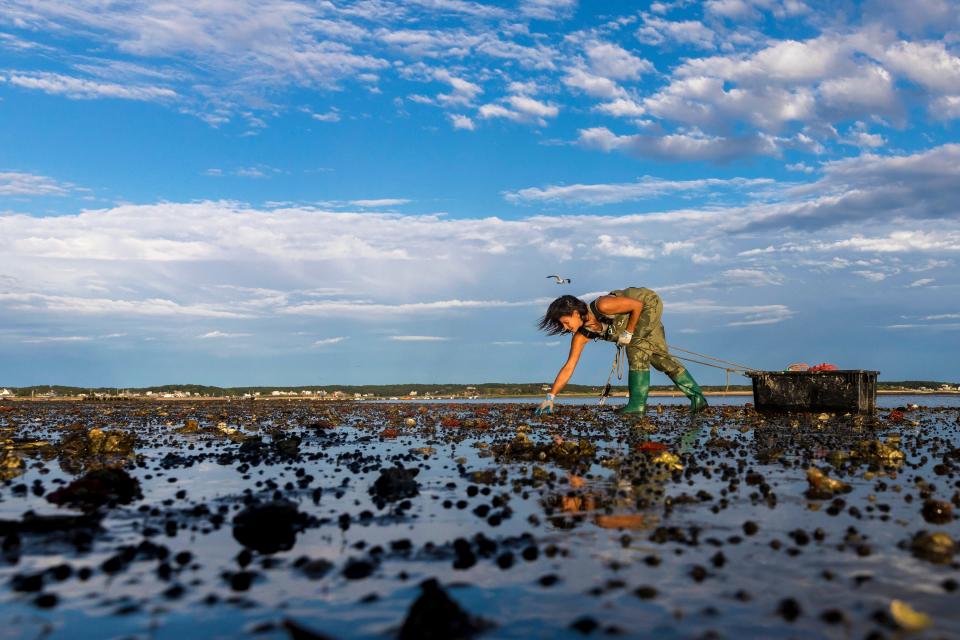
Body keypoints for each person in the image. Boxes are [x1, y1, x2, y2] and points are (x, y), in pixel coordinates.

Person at [535, 287, 707, 417]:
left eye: (566, 322)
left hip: (648, 305)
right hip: (637, 322)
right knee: (660, 360)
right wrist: (551, 397)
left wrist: (629, 332)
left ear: (575, 313)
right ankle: (698, 399)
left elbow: (637, 305)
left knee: (635, 348)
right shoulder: (581, 336)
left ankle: (636, 406)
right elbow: (569, 366)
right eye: (562, 325)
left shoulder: (602, 305)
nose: (566, 328)